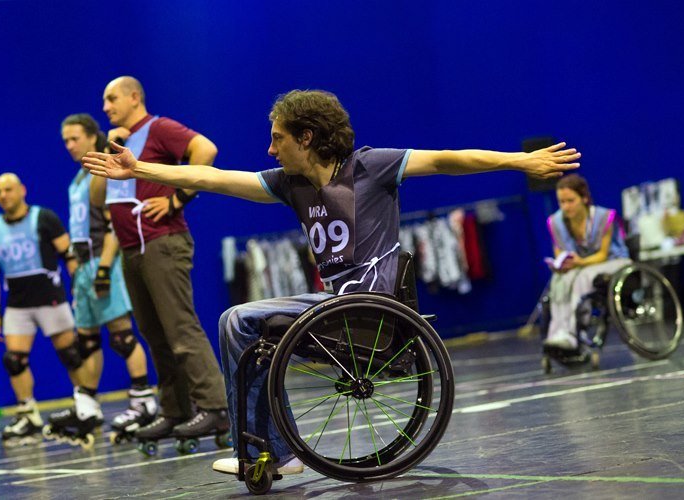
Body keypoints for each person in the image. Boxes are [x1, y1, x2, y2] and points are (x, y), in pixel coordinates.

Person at [82, 89, 580, 473]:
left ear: (306, 138)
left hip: (371, 306)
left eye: (277, 137)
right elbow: (213, 179)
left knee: (240, 319)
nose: (269, 147)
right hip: (331, 306)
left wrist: (521, 161)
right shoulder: (289, 184)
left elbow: (450, 158)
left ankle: (275, 453)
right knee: (238, 322)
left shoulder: (371, 167)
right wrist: (141, 167)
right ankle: (274, 452)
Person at [95, 76, 229, 443]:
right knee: (155, 335)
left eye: (112, 99)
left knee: (180, 329)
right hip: (131, 249)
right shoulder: (121, 139)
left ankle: (216, 409)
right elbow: (100, 196)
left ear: (135, 97)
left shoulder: (159, 128)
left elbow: (206, 151)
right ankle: (176, 410)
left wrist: (177, 200)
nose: (106, 107)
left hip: (162, 243)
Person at [58, 113, 157, 438]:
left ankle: (144, 401)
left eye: (75, 139)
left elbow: (114, 224)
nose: (69, 145)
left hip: (103, 261)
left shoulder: (101, 176)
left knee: (121, 336)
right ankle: (87, 405)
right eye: (66, 141)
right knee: (85, 341)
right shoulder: (78, 178)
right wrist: (78, 269)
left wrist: (104, 267)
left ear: (92, 138)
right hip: (83, 265)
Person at [0, 173, 98, 447]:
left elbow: (69, 255)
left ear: (22, 190)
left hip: (50, 298)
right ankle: (28, 414)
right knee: (14, 360)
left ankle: (87, 405)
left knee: (71, 354)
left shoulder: (44, 218)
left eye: (8, 190)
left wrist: (79, 292)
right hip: (18, 303)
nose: (3, 196)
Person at [544, 174, 630, 350]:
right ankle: (557, 333)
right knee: (559, 280)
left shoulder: (604, 217)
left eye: (570, 201)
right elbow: (560, 252)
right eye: (561, 202)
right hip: (580, 264)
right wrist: (561, 266)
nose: (565, 206)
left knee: (582, 277)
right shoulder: (555, 222)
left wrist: (580, 263)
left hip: (613, 260)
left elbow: (603, 255)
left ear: (584, 198)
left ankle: (574, 333)